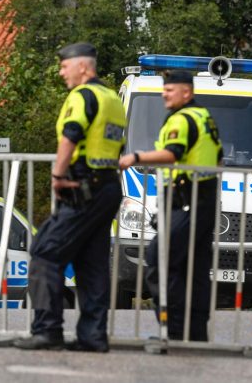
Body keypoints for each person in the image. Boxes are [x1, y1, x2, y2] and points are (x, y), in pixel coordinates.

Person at [15, 42, 125, 353]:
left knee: (45, 252)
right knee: (92, 264)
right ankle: (93, 336)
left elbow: (70, 136)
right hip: (107, 187)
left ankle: (47, 330)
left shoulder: (83, 96)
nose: (62, 72)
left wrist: (57, 176)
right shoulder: (112, 99)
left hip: (82, 187)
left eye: (65, 66)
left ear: (83, 67)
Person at [118, 69, 223, 342]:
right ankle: (196, 334)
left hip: (187, 202)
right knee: (195, 270)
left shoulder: (182, 119)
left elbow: (171, 154)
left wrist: (135, 157)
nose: (164, 94)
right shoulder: (204, 117)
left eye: (169, 90)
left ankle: (174, 330)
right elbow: (218, 158)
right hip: (204, 199)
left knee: (159, 260)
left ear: (186, 92)